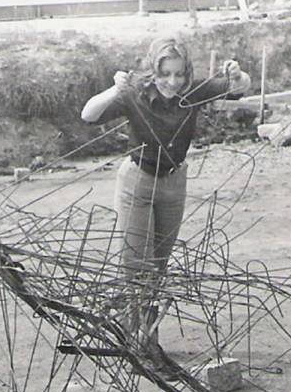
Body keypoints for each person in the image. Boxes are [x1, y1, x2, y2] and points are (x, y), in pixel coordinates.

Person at [81, 36, 251, 371]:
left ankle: (143, 336)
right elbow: (89, 115)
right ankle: (142, 348)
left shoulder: (192, 92)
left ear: (187, 74)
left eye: (178, 75)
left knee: (157, 264)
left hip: (174, 183)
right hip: (137, 183)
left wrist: (237, 73)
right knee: (136, 265)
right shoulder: (134, 93)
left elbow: (238, 88)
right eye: (165, 74)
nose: (172, 82)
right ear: (153, 71)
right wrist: (115, 89)